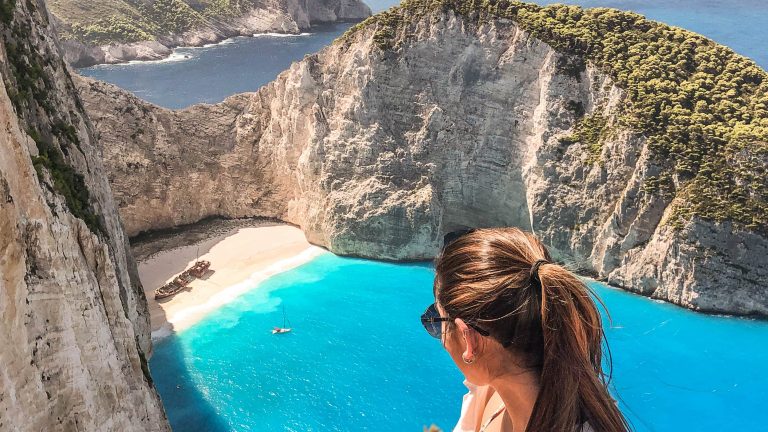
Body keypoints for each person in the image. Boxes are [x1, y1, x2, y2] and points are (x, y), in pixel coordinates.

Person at [421, 228, 630, 432]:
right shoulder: (491, 388)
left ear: (469, 341)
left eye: (436, 321)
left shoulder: (491, 387)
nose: (439, 335)